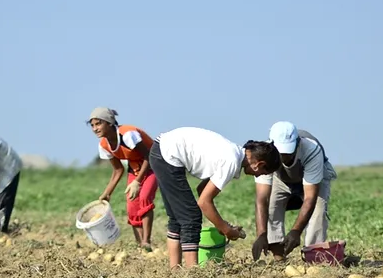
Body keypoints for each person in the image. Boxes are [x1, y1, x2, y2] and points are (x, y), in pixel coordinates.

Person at [148, 126, 277, 267]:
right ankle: (192, 273)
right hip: (167, 154)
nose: (258, 176)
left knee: (178, 217)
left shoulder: (232, 154)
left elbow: (202, 189)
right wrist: (226, 230)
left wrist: (222, 224)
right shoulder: (231, 161)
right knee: (191, 216)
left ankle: (175, 270)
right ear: (259, 164)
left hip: (161, 150)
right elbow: (203, 202)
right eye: (262, 173)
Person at [252, 121, 336, 261]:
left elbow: (310, 198)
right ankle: (279, 255)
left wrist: (296, 231)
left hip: (312, 178)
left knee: (318, 210)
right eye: (280, 153)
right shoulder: (264, 154)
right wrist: (261, 234)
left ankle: (314, 255)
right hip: (280, 178)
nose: (285, 157)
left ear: (298, 142)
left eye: (288, 152)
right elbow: (262, 199)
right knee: (272, 206)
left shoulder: (312, 150)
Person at [87, 107, 158, 250]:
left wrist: (137, 182)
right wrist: (108, 192)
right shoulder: (104, 145)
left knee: (144, 197)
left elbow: (148, 156)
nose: (95, 128)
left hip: (155, 165)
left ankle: (146, 241)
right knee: (132, 206)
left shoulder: (127, 135)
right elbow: (118, 169)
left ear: (110, 123)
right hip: (135, 169)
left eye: (98, 123)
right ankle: (140, 246)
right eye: (92, 125)